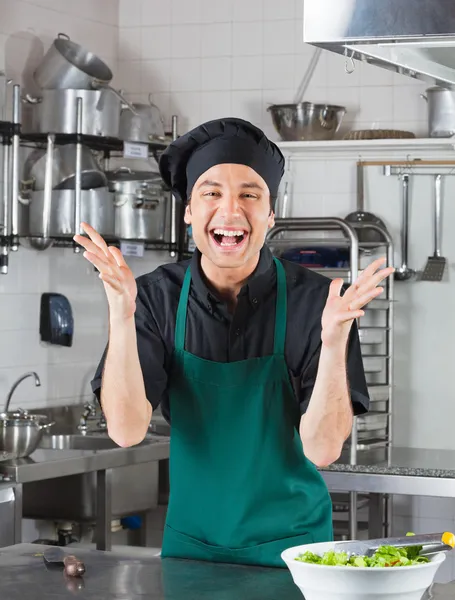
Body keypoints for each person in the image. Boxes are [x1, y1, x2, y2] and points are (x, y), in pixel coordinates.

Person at [76, 117, 394, 568]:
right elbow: (126, 432)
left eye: (249, 194)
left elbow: (322, 450)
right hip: (193, 550)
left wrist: (333, 339)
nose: (230, 212)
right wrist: (122, 316)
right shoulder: (153, 298)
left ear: (270, 215)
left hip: (297, 552)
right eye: (211, 193)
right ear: (188, 210)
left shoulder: (320, 304)